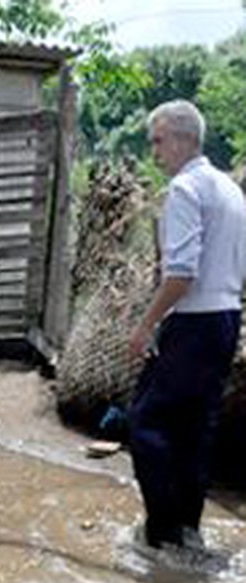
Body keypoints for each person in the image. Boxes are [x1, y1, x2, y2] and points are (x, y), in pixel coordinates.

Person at [127, 99, 246, 551]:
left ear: (181, 139)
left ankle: (163, 532)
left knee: (146, 422)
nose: (155, 152)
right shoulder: (231, 191)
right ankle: (189, 530)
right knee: (195, 428)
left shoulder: (184, 189)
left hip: (194, 322)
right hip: (225, 319)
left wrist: (145, 326)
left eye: (158, 141)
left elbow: (181, 273)